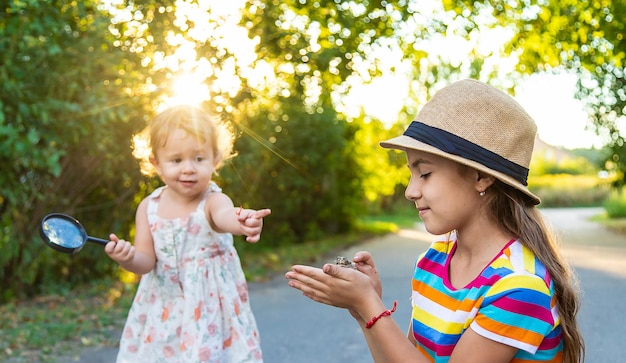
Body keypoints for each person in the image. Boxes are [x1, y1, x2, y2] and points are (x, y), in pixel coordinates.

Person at [285, 79, 585, 363]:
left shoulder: (518, 287)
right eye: (411, 174)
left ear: (481, 177)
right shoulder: (436, 258)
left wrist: (369, 305)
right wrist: (363, 308)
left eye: (425, 173)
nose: (410, 190)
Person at [105, 105, 271, 363]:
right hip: (162, 311)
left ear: (215, 159)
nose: (188, 168)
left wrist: (244, 221)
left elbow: (226, 217)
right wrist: (126, 257)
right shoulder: (149, 208)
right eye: (176, 160)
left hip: (209, 312)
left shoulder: (213, 201)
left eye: (199, 158)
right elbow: (145, 262)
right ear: (156, 163)